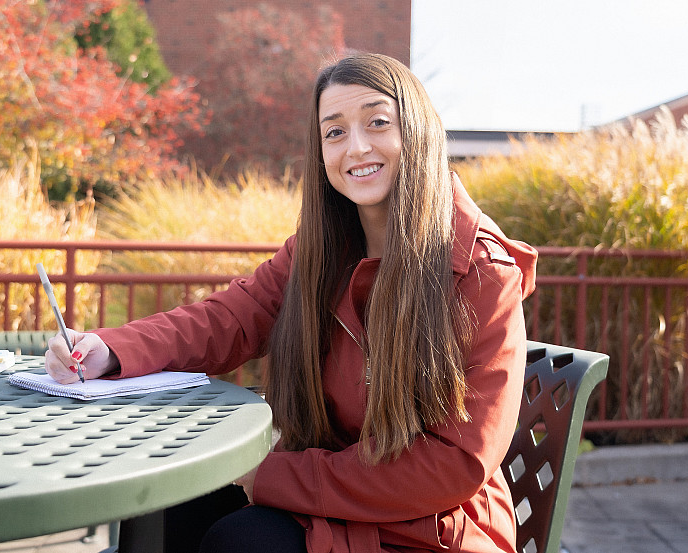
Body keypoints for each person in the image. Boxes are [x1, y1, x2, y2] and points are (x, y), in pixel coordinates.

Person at [44, 52, 537, 553]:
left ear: (419, 131)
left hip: (432, 527)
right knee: (168, 497)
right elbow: (231, 317)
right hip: (339, 497)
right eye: (335, 132)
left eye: (377, 122)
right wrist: (110, 348)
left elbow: (455, 464)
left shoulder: (480, 271)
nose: (357, 147)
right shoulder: (322, 250)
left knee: (242, 541)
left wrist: (272, 475)